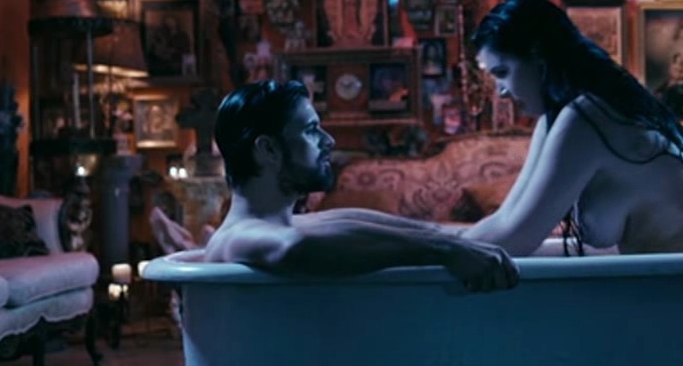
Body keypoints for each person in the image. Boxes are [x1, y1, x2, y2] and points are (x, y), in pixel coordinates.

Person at [462, 0, 683, 257]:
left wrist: (442, 248)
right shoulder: (564, 118)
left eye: (502, 72)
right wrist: (440, 242)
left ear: (537, 56)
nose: (500, 91)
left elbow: (518, 237)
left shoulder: (588, 117)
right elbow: (506, 220)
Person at [201, 80, 519, 292]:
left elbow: (345, 222)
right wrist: (444, 252)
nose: (328, 140)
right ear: (268, 150)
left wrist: (453, 239)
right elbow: (296, 247)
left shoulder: (282, 222)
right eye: (310, 130)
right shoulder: (238, 238)